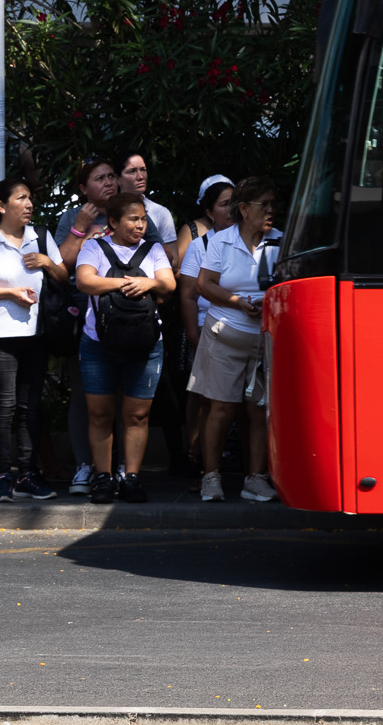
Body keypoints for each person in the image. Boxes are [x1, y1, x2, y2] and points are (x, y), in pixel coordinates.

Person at [0, 179, 71, 501]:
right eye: (21, 198)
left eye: (30, 198)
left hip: (35, 334)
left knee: (30, 408)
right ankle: (4, 476)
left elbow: (64, 278)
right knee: (4, 407)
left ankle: (29, 474)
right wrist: (8, 292)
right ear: (1, 206)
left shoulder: (41, 237)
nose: (29, 204)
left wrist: (48, 263)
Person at [73, 191, 175, 503]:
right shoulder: (94, 246)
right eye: (133, 219)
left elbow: (169, 283)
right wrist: (127, 281)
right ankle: (103, 478)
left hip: (146, 345)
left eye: (143, 219)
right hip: (98, 342)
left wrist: (150, 283)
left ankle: (131, 477)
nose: (140, 225)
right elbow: (84, 281)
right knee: (100, 414)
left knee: (137, 415)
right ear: (114, 222)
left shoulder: (154, 249)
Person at [191, 176, 281, 503]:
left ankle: (255, 479)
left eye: (273, 204)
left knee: (259, 410)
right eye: (264, 205)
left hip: (265, 340)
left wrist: (267, 301)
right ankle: (210, 477)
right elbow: (204, 285)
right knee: (221, 409)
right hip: (225, 334)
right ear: (244, 209)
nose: (271, 211)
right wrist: (236, 301)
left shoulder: (280, 242)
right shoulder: (220, 241)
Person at [54, 157, 118, 494]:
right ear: (83, 188)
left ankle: (118, 469)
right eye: (99, 178)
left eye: (111, 176)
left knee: (123, 395)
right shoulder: (71, 216)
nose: (108, 183)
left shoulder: (132, 211)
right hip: (85, 319)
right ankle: (84, 466)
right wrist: (81, 227)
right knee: (84, 395)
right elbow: (60, 265)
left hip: (127, 315)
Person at [120, 150, 186, 470]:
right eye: (132, 171)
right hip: (109, 317)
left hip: (151, 311)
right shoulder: (104, 213)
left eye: (144, 170)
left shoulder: (157, 213)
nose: (140, 176)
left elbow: (170, 262)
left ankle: (179, 456)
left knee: (162, 388)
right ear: (118, 178)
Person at [175, 176, 234, 479]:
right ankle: (197, 458)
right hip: (205, 330)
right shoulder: (200, 244)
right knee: (202, 398)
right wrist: (194, 335)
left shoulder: (257, 240)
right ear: (209, 212)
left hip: (241, 331)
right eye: (225, 205)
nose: (232, 210)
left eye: (236, 203)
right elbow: (187, 294)